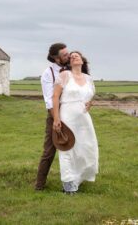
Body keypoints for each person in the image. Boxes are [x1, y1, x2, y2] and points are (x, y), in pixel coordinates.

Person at [52, 51, 99, 195]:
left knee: (86, 147)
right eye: (71, 57)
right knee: (67, 148)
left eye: (76, 55)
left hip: (84, 119)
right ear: (70, 62)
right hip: (68, 116)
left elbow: (90, 96)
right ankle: (68, 185)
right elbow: (55, 97)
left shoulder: (89, 79)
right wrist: (56, 118)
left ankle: (78, 178)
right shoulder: (65, 75)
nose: (73, 57)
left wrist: (90, 104)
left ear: (82, 61)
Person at [34, 43, 69, 190]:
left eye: (68, 53)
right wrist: (56, 119)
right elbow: (49, 100)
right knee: (49, 151)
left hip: (72, 113)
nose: (68, 56)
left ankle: (71, 183)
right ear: (56, 58)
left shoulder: (71, 69)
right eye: (65, 55)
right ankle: (39, 185)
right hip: (55, 114)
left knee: (73, 150)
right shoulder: (48, 73)